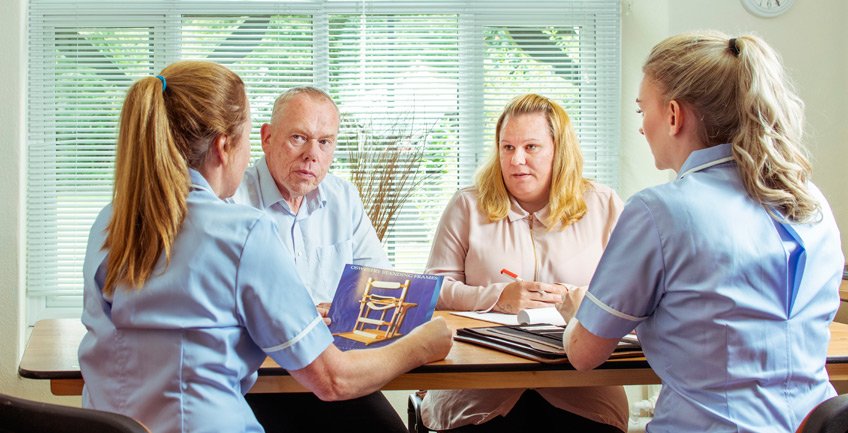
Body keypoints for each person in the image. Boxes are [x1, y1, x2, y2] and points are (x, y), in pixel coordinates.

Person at [77, 60, 452, 433]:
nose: (312, 153)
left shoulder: (110, 222)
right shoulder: (242, 230)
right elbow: (332, 380)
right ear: (226, 146)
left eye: (325, 142)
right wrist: (423, 345)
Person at [563, 32, 844, 433]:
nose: (642, 127)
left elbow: (583, 354)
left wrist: (577, 314)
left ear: (674, 115)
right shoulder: (810, 201)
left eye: (643, 109)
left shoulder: (658, 210)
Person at [420, 93, 628, 432]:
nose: (516, 160)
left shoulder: (603, 205)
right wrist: (496, 298)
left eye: (531, 147)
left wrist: (572, 297)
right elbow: (434, 288)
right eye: (507, 148)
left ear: (559, 150)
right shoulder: (467, 205)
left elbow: (631, 293)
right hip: (477, 393)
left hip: (582, 391)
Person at [230, 87, 405, 432]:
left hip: (332, 366)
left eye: (325, 142)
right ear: (266, 137)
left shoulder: (343, 197)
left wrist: (342, 311)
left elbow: (382, 282)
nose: (312, 154)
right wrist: (306, 316)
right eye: (299, 137)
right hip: (258, 378)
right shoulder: (232, 199)